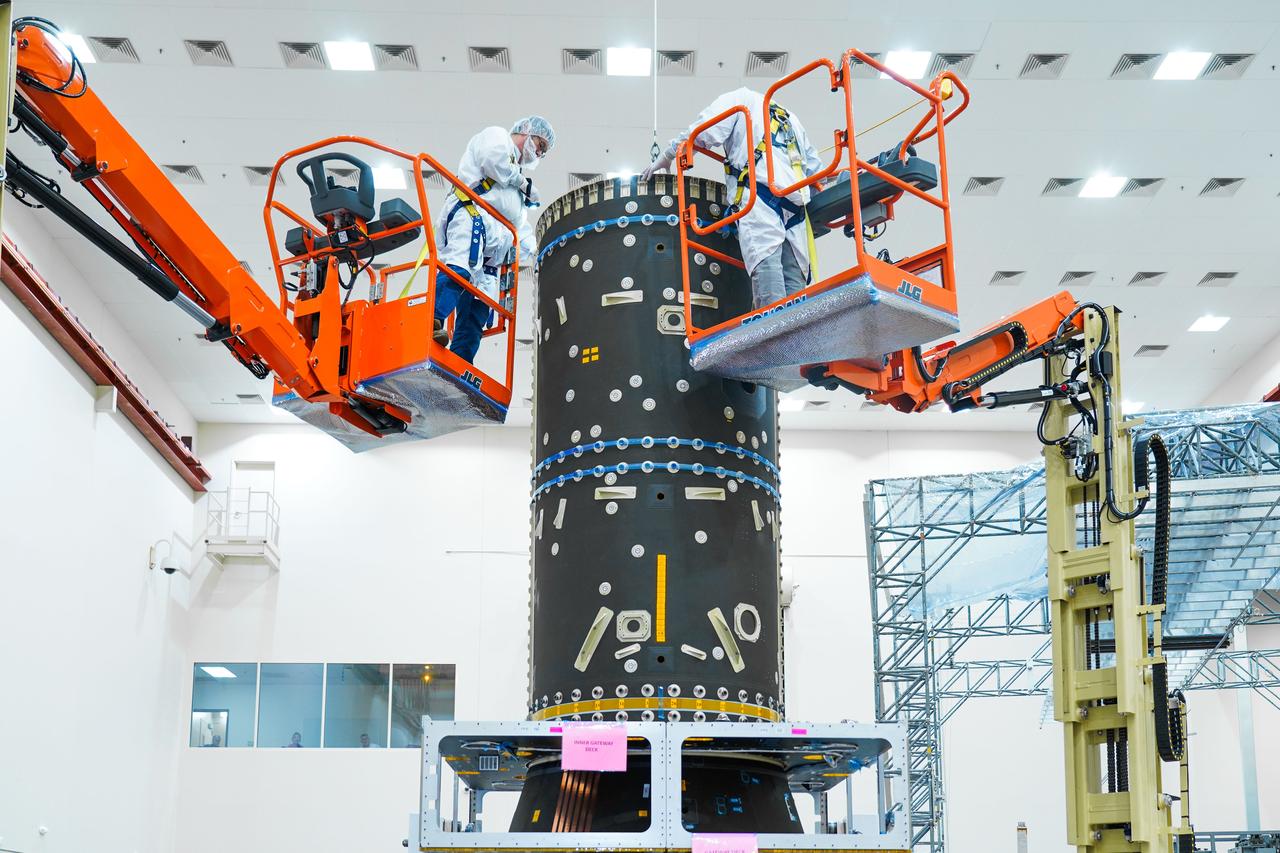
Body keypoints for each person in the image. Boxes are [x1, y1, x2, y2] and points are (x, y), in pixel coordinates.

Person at [641, 89, 823, 311]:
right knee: (795, 288)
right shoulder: (790, 118)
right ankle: (796, 341)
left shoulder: (739, 99)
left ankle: (775, 340)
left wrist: (668, 155)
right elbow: (816, 170)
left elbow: (702, 131)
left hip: (761, 199)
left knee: (769, 280)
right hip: (795, 208)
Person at [432, 116, 555, 362]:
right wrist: (522, 182)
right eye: (539, 145)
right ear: (526, 131)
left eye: (542, 152)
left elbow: (520, 228)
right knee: (459, 270)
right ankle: (430, 323)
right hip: (470, 218)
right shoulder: (497, 137)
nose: (538, 153)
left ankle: (460, 364)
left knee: (479, 304)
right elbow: (493, 161)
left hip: (492, 246)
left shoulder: (517, 195)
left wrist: (539, 252)